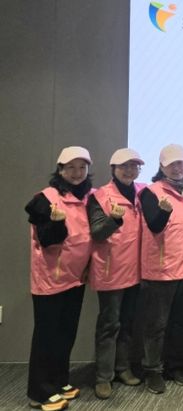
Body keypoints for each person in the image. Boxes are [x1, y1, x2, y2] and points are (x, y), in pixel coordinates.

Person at [24, 146, 94, 411]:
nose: (77, 173)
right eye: (71, 168)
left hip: (75, 278)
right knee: (47, 335)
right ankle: (39, 392)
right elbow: (46, 239)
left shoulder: (86, 198)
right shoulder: (45, 198)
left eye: (82, 167)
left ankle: (59, 381)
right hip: (50, 280)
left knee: (66, 333)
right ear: (60, 170)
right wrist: (56, 223)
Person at [139, 144, 183, 394]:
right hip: (161, 270)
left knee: (181, 323)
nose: (177, 168)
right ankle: (153, 370)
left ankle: (177, 366)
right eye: (171, 164)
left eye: (180, 163)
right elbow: (155, 226)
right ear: (161, 167)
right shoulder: (151, 192)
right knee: (156, 325)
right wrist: (164, 212)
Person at [87, 148, 146, 399]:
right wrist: (113, 219)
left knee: (128, 323)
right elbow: (97, 232)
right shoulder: (100, 196)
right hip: (110, 271)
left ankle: (123, 368)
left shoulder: (142, 192)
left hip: (136, 270)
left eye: (134, 166)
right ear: (113, 169)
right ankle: (103, 376)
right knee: (109, 324)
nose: (129, 171)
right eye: (124, 166)